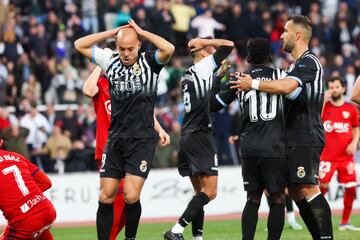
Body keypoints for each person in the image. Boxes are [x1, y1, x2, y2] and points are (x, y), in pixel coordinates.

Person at [231, 14, 333, 239]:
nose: (282, 35)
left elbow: (287, 86)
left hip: (306, 135)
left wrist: (253, 83)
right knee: (296, 191)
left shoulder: (309, 61)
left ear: (298, 35)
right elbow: (295, 93)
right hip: (294, 137)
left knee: (308, 188)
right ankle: (319, 236)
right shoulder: (296, 65)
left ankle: (326, 237)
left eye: (285, 31)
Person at [74, 19, 174, 240]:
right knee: (106, 196)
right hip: (115, 138)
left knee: (130, 196)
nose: (126, 53)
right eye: (121, 49)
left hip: (141, 140)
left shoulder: (151, 62)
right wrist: (113, 32)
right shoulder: (110, 60)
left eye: (130, 48)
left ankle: (130, 238)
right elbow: (79, 44)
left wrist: (142, 31)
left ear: (139, 45)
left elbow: (169, 48)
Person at [210, 38, 287, 240]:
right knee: (278, 199)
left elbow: (213, 105)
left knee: (252, 199)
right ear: (270, 56)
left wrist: (218, 78)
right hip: (275, 147)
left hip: (250, 147)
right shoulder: (282, 76)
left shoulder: (239, 78)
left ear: (248, 57)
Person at [163, 37, 234, 240]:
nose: (215, 54)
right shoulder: (203, 67)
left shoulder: (188, 75)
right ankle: (176, 230)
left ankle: (197, 237)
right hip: (200, 135)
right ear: (204, 54)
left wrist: (219, 77)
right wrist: (203, 40)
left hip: (188, 135)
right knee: (210, 192)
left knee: (199, 193)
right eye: (210, 51)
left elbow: (209, 102)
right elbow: (229, 45)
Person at [320, 77, 360, 231]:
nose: (334, 89)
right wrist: (323, 99)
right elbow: (316, 118)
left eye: (336, 86)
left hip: (346, 157)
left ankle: (345, 222)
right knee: (321, 189)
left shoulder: (351, 109)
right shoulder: (325, 107)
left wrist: (354, 142)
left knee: (351, 187)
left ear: (343, 89)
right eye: (331, 86)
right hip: (327, 157)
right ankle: (319, 220)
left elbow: (356, 128)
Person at [0, 134, 56, 240]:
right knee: (37, 229)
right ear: (1, 142)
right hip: (46, 210)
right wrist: (28, 200)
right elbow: (46, 182)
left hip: (25, 221)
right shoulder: (17, 157)